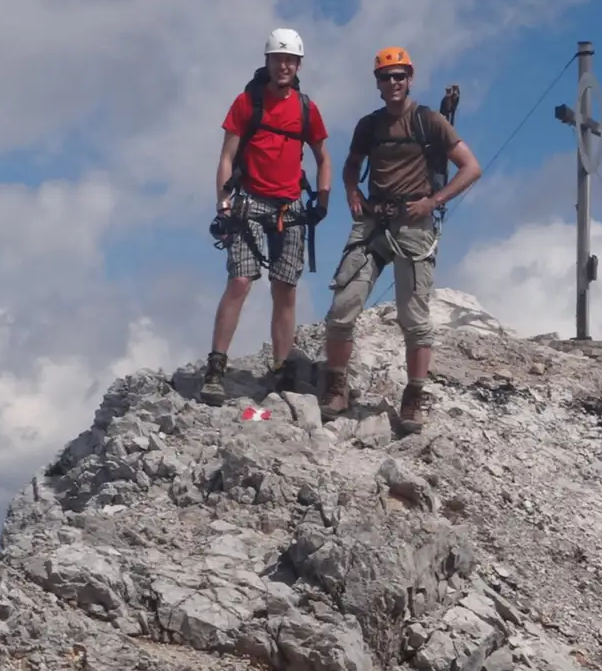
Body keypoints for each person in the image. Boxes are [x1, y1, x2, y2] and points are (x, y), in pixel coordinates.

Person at [319, 46, 482, 431]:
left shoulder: (429, 122)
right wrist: (352, 191)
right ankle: (337, 387)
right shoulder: (369, 126)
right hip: (374, 221)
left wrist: (433, 202)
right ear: (377, 83)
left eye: (399, 76)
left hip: (413, 223)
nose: (393, 82)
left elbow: (470, 167)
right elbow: (352, 164)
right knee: (343, 307)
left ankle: (414, 396)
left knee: (414, 317)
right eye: (386, 77)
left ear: (409, 79)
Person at [200, 28, 332, 405]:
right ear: (268, 62)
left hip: (289, 207)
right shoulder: (247, 103)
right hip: (249, 202)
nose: (283, 66)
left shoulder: (306, 109)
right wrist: (223, 204)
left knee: (285, 287)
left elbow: (323, 157)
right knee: (240, 280)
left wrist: (322, 200)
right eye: (278, 59)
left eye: (290, 60)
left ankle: (281, 368)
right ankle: (216, 366)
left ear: (299, 65)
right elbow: (227, 157)